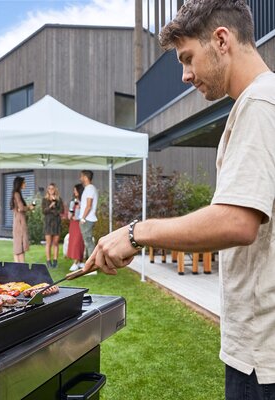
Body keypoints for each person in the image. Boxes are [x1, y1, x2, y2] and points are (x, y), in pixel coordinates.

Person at [84, 1, 275, 398]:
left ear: (221, 40)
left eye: (188, 59)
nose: (186, 75)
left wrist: (137, 232)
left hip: (261, 354)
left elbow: (236, 222)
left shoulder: (258, 104)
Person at [10, 176, 34, 263]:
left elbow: (20, 208)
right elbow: (21, 208)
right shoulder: (16, 194)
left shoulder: (16, 193)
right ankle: (21, 267)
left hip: (18, 220)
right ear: (19, 184)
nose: (25, 184)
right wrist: (29, 207)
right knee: (19, 246)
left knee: (18, 245)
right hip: (19, 222)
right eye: (24, 182)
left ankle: (20, 267)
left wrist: (26, 207)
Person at [42, 183, 63, 268]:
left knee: (56, 243)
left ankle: (55, 261)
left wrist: (54, 207)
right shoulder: (45, 200)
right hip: (48, 223)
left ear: (55, 190)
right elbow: (44, 211)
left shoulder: (59, 199)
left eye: (52, 188)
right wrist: (51, 206)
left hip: (56, 223)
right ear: (48, 190)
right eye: (49, 188)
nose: (51, 190)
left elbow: (61, 210)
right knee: (48, 243)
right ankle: (48, 261)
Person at [79, 170, 98, 262]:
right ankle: (88, 262)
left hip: (87, 219)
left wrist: (83, 218)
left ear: (86, 177)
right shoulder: (88, 188)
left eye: (81, 176)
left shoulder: (90, 188)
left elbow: (89, 206)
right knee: (87, 242)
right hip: (87, 219)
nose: (80, 178)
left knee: (89, 242)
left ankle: (93, 265)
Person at [67, 184, 85, 271]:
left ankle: (77, 262)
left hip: (80, 224)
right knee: (74, 242)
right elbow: (69, 215)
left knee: (78, 243)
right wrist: (71, 216)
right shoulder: (72, 202)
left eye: (75, 190)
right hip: (73, 224)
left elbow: (82, 214)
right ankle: (79, 261)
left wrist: (79, 208)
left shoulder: (83, 202)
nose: (74, 192)